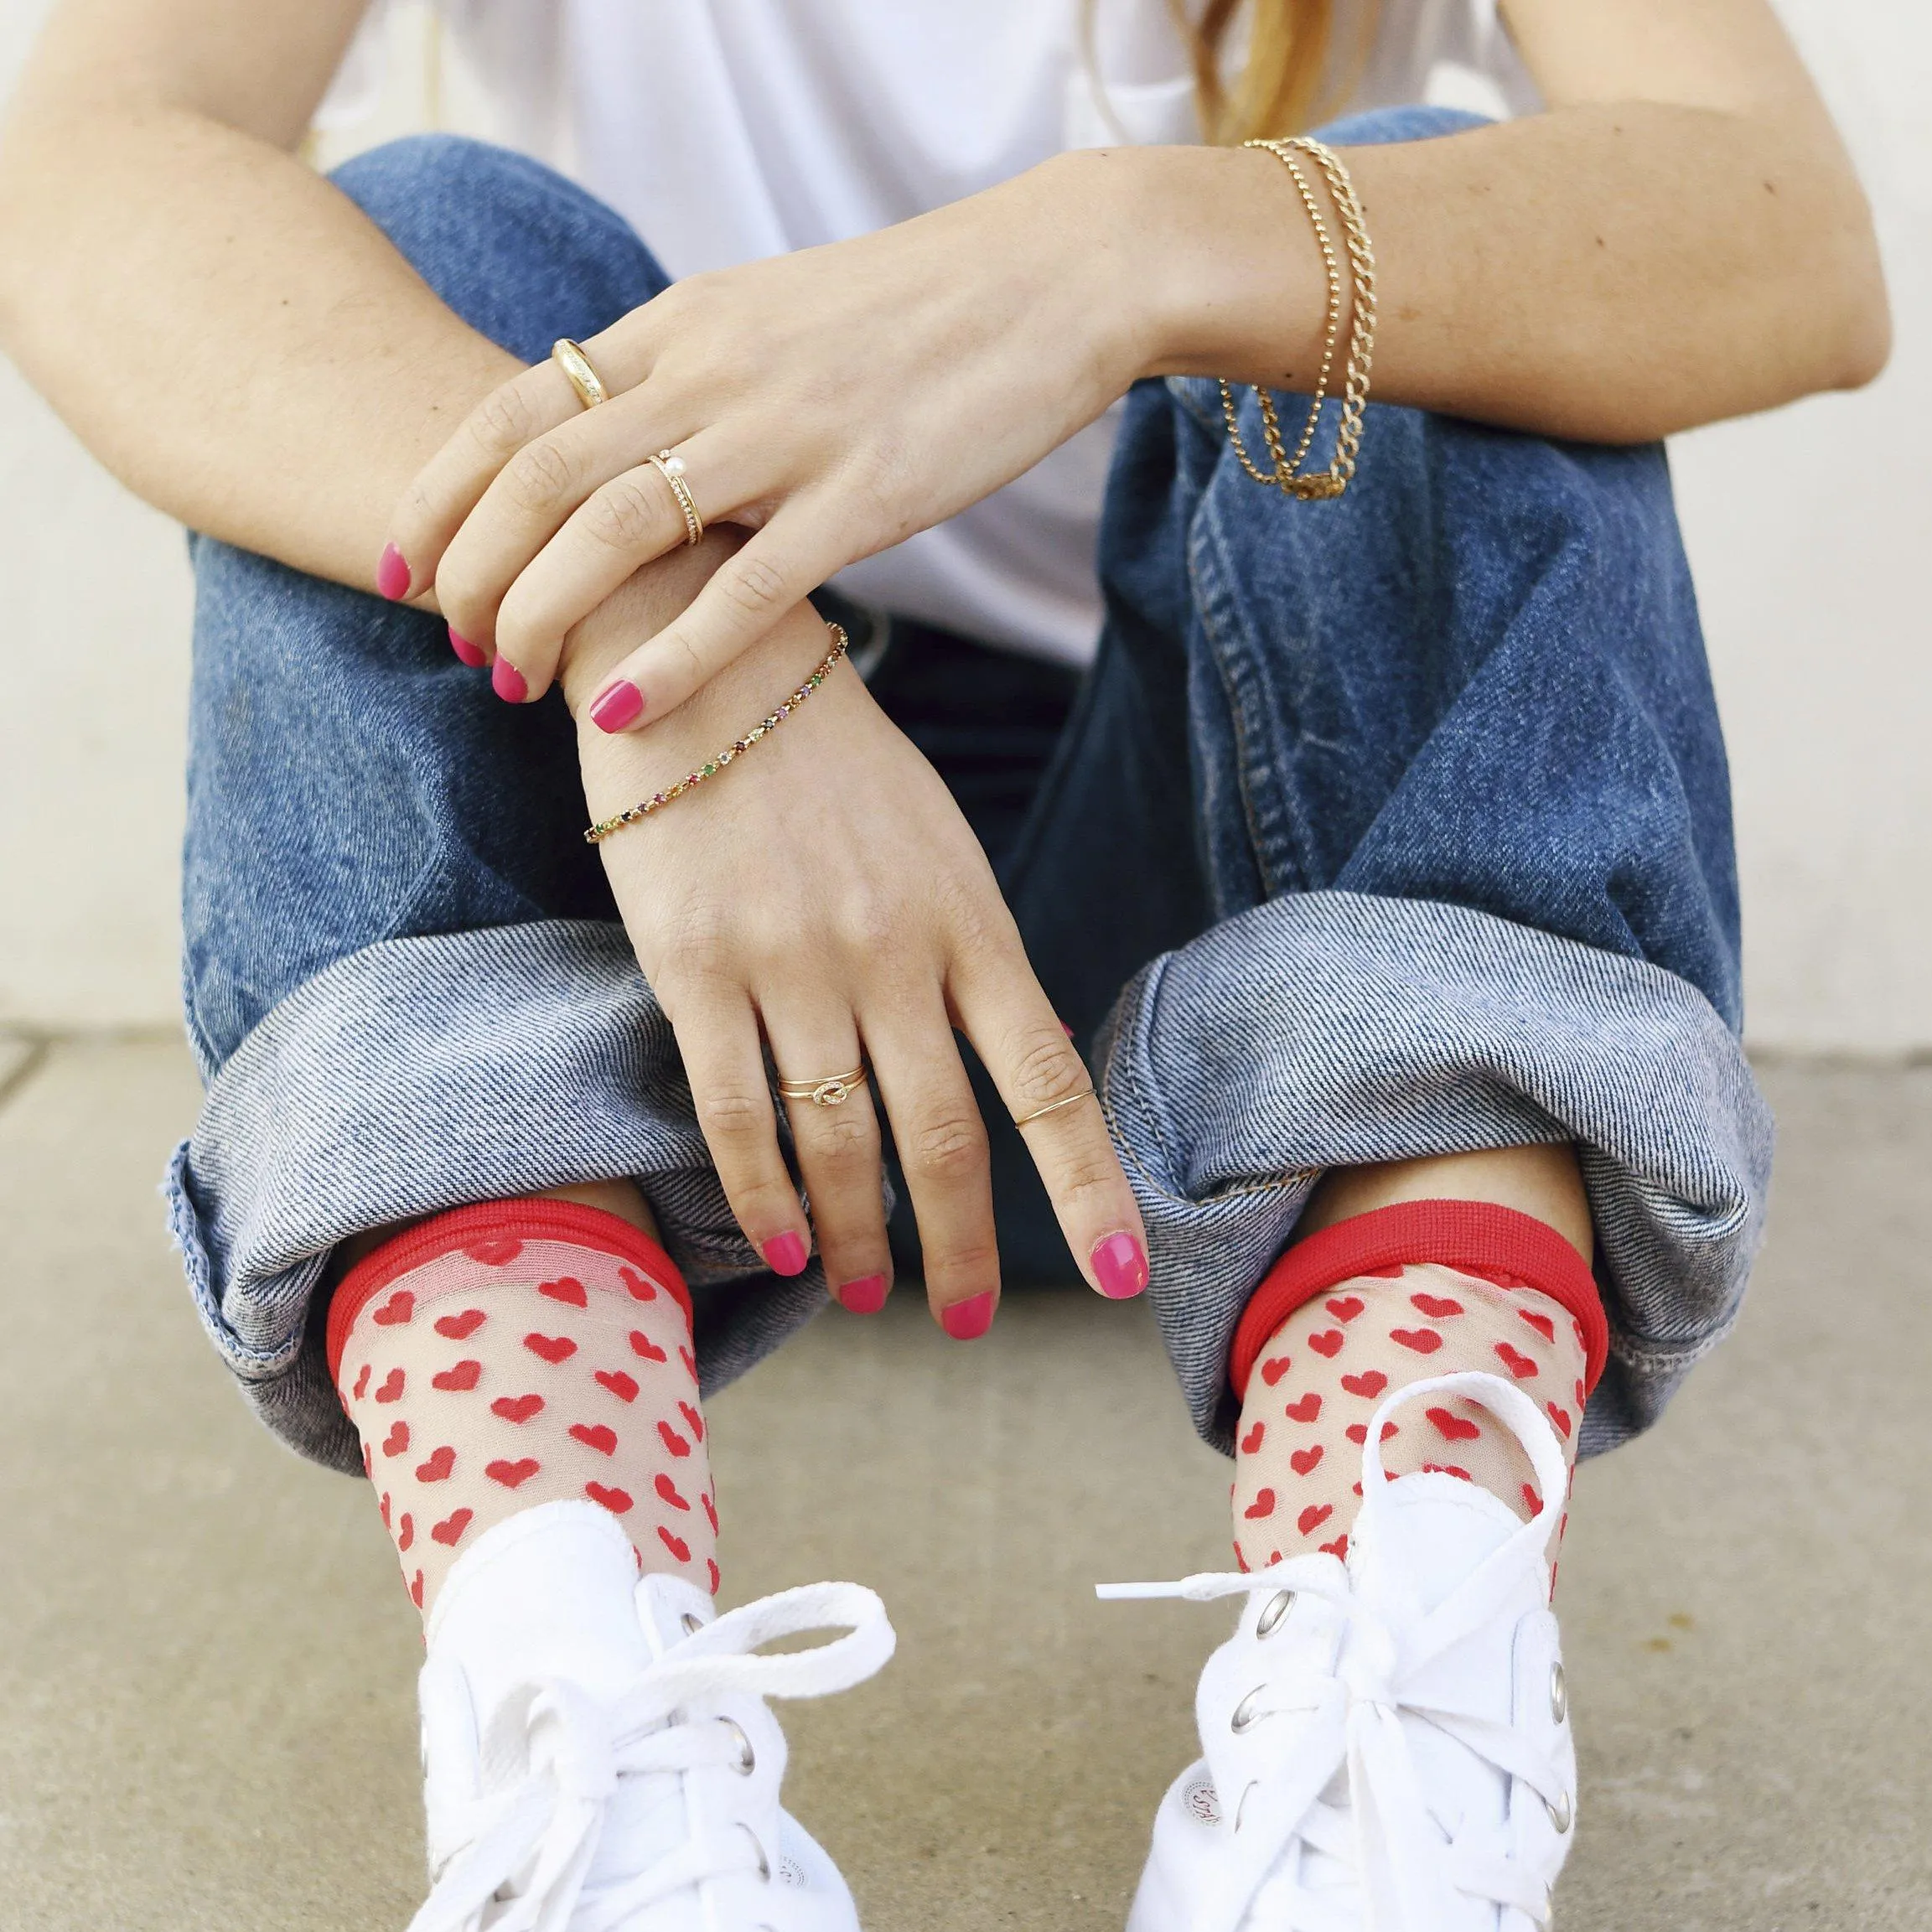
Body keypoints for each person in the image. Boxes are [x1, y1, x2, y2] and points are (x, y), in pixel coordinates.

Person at [0, 1, 1887, 1925]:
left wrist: (1120, 253)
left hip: (1230, 952)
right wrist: (679, 636)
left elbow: (1786, 232)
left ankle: (1402, 1682)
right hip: (661, 967)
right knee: (413, 246)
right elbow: (90, 167)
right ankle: (575, 1712)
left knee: (1421, 233)